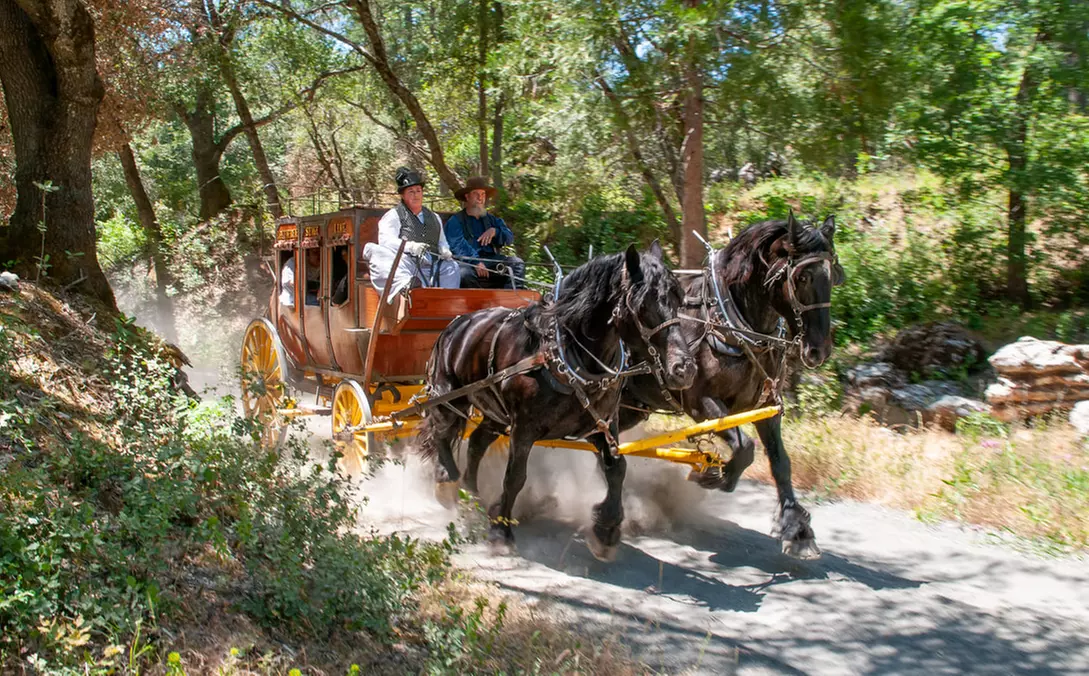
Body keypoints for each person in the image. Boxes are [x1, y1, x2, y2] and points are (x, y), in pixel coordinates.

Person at [364, 167, 459, 298]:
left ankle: (446, 301)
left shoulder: (434, 217)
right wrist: (411, 246)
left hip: (432, 266)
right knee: (378, 253)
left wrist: (445, 250)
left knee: (452, 266)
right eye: (411, 192)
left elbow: (441, 241)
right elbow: (386, 241)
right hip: (407, 265)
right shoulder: (393, 216)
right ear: (402, 195)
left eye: (418, 191)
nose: (416, 195)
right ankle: (406, 288)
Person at [443, 177, 525, 289]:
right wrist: (475, 262)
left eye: (483, 194)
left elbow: (509, 238)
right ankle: (480, 303)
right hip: (467, 263)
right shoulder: (455, 221)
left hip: (491, 261)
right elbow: (457, 245)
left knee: (517, 263)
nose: (480, 197)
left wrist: (495, 231)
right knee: (463, 274)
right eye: (476, 193)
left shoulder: (492, 220)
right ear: (467, 196)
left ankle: (512, 302)